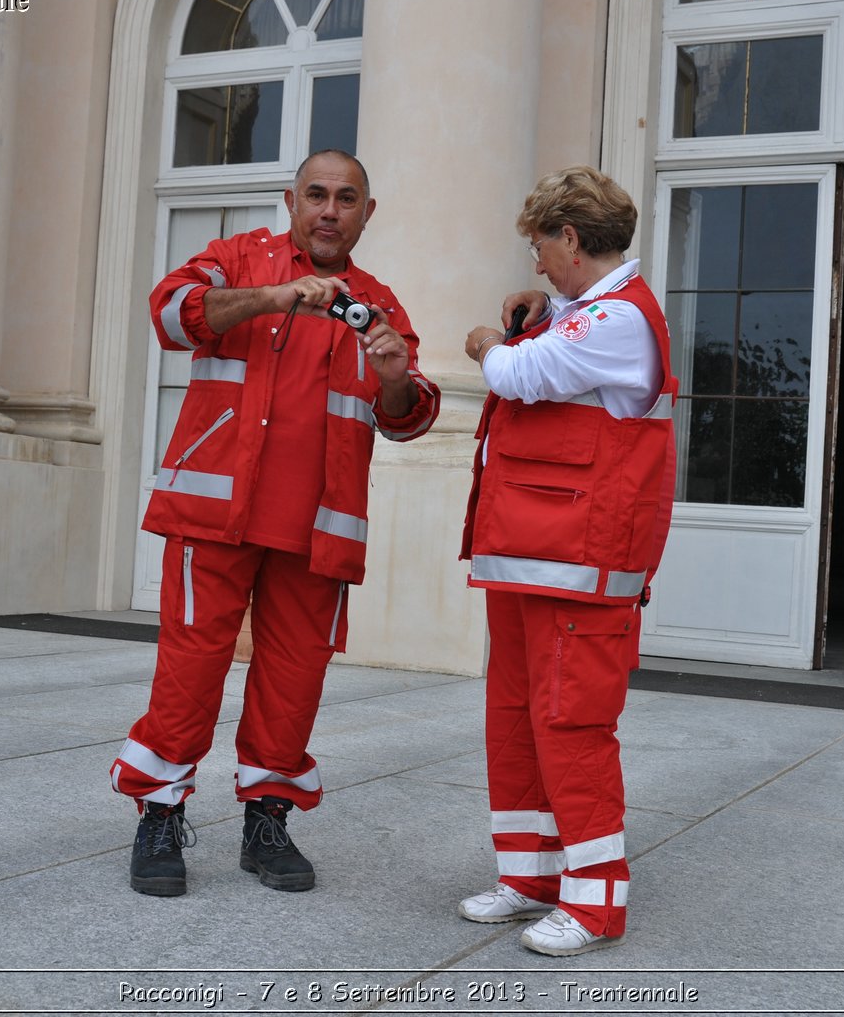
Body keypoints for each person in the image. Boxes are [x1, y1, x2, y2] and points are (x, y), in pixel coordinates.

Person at [112, 149, 440, 897]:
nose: (330, 209)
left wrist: (394, 378)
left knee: (295, 679)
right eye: (317, 194)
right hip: (213, 511)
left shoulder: (380, 303)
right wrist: (274, 297)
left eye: (347, 198)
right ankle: (159, 812)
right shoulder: (236, 258)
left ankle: (268, 818)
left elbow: (410, 417)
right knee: (189, 671)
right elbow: (170, 312)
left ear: (367, 213)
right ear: (290, 201)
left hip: (318, 529)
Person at [457, 165, 676, 956]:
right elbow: (560, 343)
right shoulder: (589, 311)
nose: (536, 264)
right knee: (514, 721)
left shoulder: (619, 319)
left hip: (579, 572)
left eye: (540, 248)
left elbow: (522, 372)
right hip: (531, 560)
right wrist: (549, 308)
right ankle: (530, 878)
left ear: (572, 239)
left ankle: (595, 902)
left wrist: (490, 341)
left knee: (573, 727)